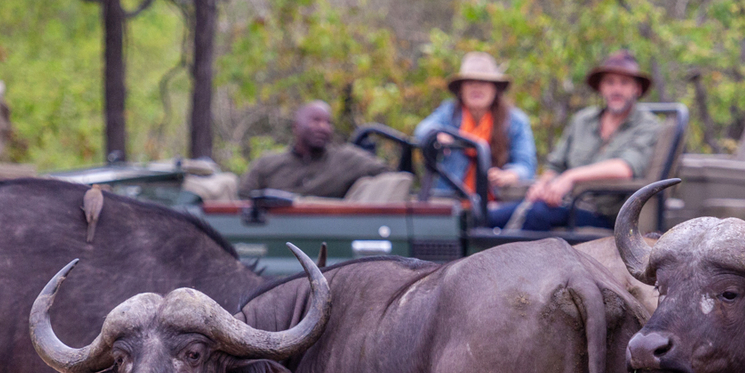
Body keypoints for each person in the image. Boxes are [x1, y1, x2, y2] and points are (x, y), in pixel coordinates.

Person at [488, 49, 663, 232]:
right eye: (610, 83)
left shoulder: (647, 124)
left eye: (624, 83)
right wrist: (543, 185)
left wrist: (571, 177)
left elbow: (624, 168)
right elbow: (556, 166)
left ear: (637, 89)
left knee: (538, 214)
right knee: (485, 216)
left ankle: (520, 259)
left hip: (608, 213)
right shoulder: (582, 120)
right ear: (601, 87)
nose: (616, 89)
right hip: (565, 203)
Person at [412, 51, 536, 198]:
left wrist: (510, 175)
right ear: (461, 89)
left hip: (497, 203)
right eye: (470, 83)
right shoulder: (449, 113)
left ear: (495, 89)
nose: (476, 88)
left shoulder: (516, 121)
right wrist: (436, 135)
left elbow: (526, 165)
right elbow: (422, 130)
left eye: (483, 82)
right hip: (450, 200)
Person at [237, 101, 395, 198]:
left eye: (328, 122)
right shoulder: (267, 163)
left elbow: (388, 174)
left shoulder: (347, 159)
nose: (323, 127)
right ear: (296, 127)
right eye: (316, 120)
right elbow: (242, 199)